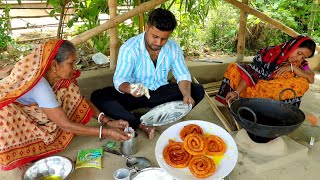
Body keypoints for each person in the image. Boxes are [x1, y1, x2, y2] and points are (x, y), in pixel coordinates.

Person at [0, 39, 130, 171]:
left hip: (36, 109)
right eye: (71, 63)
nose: (75, 68)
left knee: (69, 90)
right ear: (54, 65)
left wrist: (106, 121)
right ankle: (20, 154)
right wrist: (105, 132)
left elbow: (79, 100)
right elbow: (64, 124)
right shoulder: (40, 86)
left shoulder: (59, 79)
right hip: (13, 118)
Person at [91, 8, 205, 139]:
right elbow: (120, 79)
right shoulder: (130, 48)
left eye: (164, 39)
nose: (158, 43)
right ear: (147, 27)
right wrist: (130, 88)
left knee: (197, 90)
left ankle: (140, 116)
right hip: (136, 95)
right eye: (155, 37)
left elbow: (182, 74)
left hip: (161, 93)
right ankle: (141, 123)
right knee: (98, 96)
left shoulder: (174, 48)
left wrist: (186, 95)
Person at [215, 35, 316, 107]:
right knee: (233, 68)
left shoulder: (301, 64)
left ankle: (277, 110)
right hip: (255, 87)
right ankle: (245, 100)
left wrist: (293, 68)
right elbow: (251, 72)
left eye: (303, 57)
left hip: (276, 93)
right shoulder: (270, 53)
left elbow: (311, 78)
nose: (299, 58)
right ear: (292, 46)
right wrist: (236, 92)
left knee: (302, 82)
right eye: (299, 53)